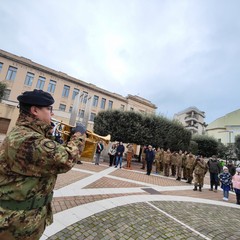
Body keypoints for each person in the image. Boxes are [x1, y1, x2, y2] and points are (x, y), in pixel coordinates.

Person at [0, 89, 86, 240]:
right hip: (17, 224)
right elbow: (66, 159)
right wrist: (78, 135)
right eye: (49, 109)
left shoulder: (28, 134)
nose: (52, 114)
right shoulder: (27, 139)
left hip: (24, 219)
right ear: (34, 110)